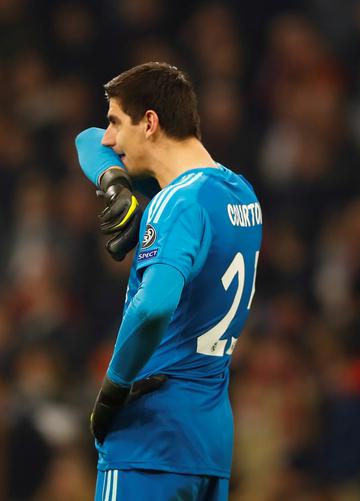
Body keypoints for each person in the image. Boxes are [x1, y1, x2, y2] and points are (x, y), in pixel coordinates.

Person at [75, 62, 262, 501]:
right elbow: (84, 140)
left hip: (148, 438)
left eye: (116, 123)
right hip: (208, 441)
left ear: (150, 123)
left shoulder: (177, 201)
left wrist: (112, 390)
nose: (107, 138)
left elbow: (153, 306)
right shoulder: (241, 195)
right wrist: (114, 182)